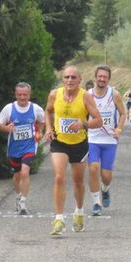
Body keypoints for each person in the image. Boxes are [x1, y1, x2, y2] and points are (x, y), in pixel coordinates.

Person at [44, 66, 103, 236]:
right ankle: (59, 219)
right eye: (66, 77)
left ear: (79, 80)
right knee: (59, 177)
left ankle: (78, 212)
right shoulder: (55, 94)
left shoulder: (85, 96)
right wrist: (48, 128)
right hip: (59, 142)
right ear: (63, 79)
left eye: (73, 77)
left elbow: (98, 121)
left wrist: (83, 124)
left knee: (78, 182)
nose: (69, 80)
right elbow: (48, 111)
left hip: (79, 144)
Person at [0, 82, 45, 215]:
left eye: (25, 95)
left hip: (29, 146)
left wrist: (39, 132)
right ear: (15, 95)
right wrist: (7, 128)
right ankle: (18, 196)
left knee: (25, 172)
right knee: (17, 175)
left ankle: (23, 202)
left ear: (29, 95)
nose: (22, 98)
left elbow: (42, 121)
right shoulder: (9, 108)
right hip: (14, 148)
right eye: (19, 95)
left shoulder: (35, 109)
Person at [86, 65, 127, 216]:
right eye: (100, 76)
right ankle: (96, 203)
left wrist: (119, 129)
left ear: (109, 79)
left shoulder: (114, 94)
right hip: (92, 139)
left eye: (105, 77)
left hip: (109, 140)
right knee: (93, 169)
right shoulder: (88, 95)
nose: (102, 79)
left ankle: (105, 190)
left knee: (106, 176)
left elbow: (123, 114)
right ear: (95, 77)